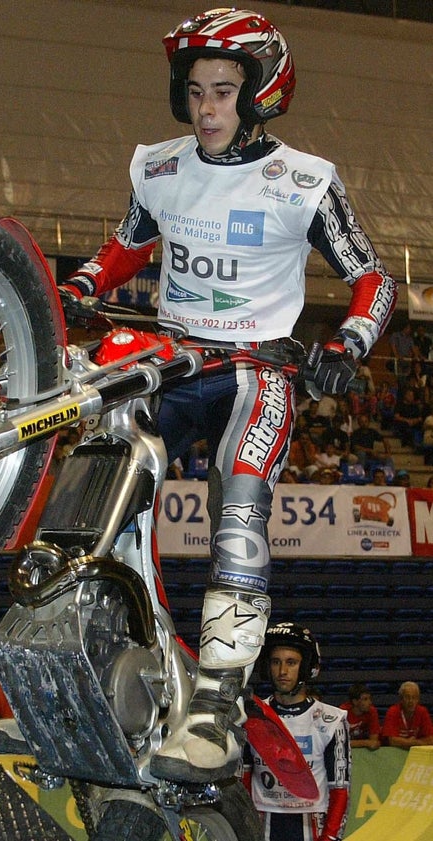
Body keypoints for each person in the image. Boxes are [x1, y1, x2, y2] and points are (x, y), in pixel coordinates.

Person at [58, 7, 396, 782]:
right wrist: (82, 282)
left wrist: (346, 344)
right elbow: (129, 241)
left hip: (258, 371)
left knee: (239, 505)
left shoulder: (305, 181)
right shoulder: (160, 166)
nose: (206, 108)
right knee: (104, 483)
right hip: (171, 362)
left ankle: (216, 705)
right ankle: (100, 666)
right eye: (195, 91)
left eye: (222, 91)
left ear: (260, 93)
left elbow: (373, 279)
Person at [244, 622, 350, 841]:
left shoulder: (332, 720)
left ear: (305, 667)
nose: (282, 671)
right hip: (260, 826)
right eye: (276, 662)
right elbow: (242, 781)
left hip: (311, 826)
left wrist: (329, 837)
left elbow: (340, 790)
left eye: (291, 663)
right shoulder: (251, 715)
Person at [381, 681, 433, 748]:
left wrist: (408, 743)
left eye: (414, 697)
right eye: (407, 697)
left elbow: (431, 739)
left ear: (418, 699)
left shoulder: (422, 711)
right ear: (401, 699)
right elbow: (392, 741)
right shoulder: (393, 711)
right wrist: (415, 742)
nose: (411, 701)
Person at [341, 683, 380, 750]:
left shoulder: (372, 711)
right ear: (355, 702)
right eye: (365, 699)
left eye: (370, 699)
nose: (370, 702)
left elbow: (374, 741)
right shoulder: (342, 713)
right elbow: (341, 742)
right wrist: (365, 743)